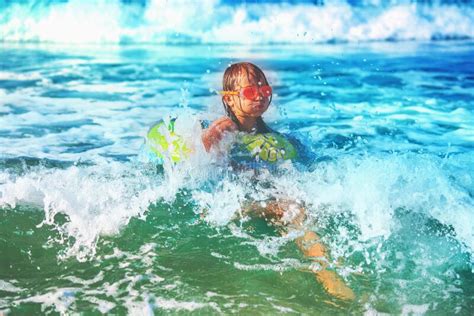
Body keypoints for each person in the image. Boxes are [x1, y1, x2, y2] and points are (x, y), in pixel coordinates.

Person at [201, 62, 355, 300]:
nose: (260, 96)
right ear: (230, 100)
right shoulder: (224, 130)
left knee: (305, 205)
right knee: (293, 208)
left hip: (263, 195)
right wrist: (216, 147)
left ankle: (328, 266)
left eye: (265, 90)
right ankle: (329, 279)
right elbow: (208, 163)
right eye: (251, 92)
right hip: (232, 203)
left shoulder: (275, 137)